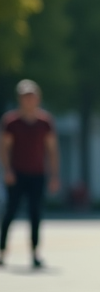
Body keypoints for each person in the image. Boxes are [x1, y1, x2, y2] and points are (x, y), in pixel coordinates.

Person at [1, 80, 60, 269]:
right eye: (25, 96)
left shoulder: (45, 122)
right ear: (20, 99)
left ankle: (35, 253)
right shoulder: (11, 122)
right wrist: (7, 170)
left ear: (38, 98)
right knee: (10, 212)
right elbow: (5, 148)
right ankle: (2, 250)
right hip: (17, 174)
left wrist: (54, 175)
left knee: (35, 213)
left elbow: (52, 150)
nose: (29, 100)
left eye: (32, 96)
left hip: (37, 174)